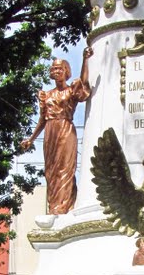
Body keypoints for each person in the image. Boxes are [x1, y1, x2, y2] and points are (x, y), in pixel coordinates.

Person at [21, 47, 93, 214]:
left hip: (66, 129)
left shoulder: (70, 90)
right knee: (51, 170)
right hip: (50, 132)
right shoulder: (46, 95)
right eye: (54, 68)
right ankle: (54, 207)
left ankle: (65, 207)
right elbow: (42, 120)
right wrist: (31, 139)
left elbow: (82, 84)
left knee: (66, 168)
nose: (56, 70)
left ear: (66, 71)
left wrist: (85, 59)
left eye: (60, 68)